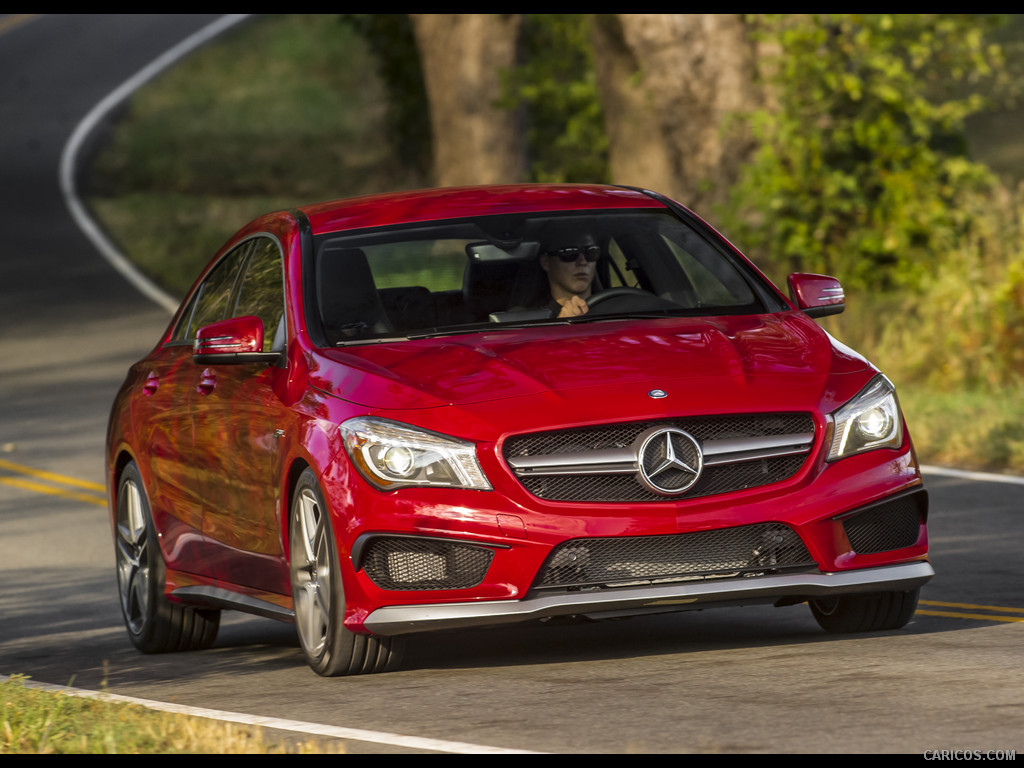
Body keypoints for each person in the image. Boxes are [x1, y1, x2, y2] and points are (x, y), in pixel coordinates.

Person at [539, 236, 599, 318]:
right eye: (569, 254)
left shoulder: (615, 308)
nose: (582, 262)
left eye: (591, 252)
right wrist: (560, 327)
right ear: (546, 262)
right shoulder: (529, 319)